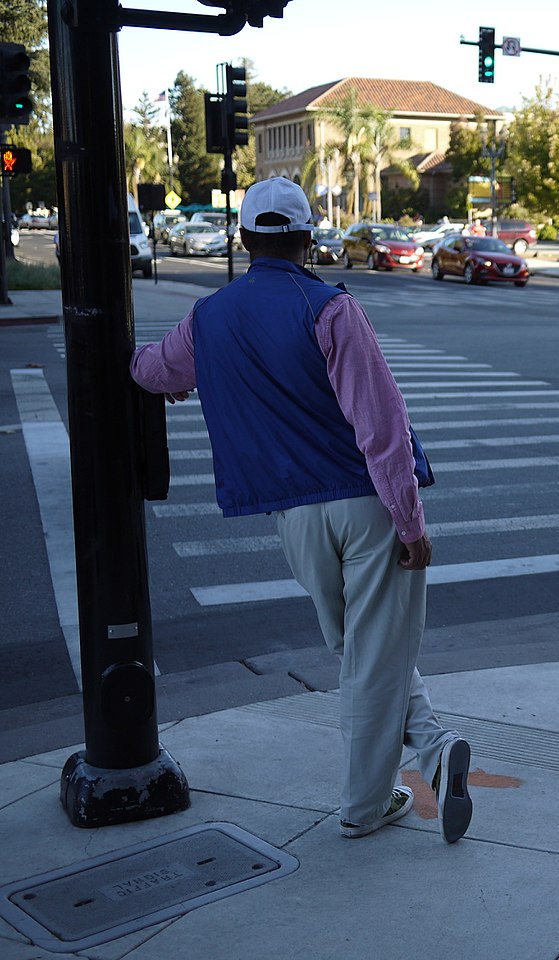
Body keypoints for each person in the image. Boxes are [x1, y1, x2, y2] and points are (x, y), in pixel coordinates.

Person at [130, 177, 472, 843]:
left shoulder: (209, 317)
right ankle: (367, 803)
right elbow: (382, 423)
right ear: (307, 237)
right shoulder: (330, 308)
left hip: (292, 515)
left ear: (245, 238)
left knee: (359, 651)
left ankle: (434, 751)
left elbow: (152, 372)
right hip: (364, 507)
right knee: (374, 654)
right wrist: (411, 522)